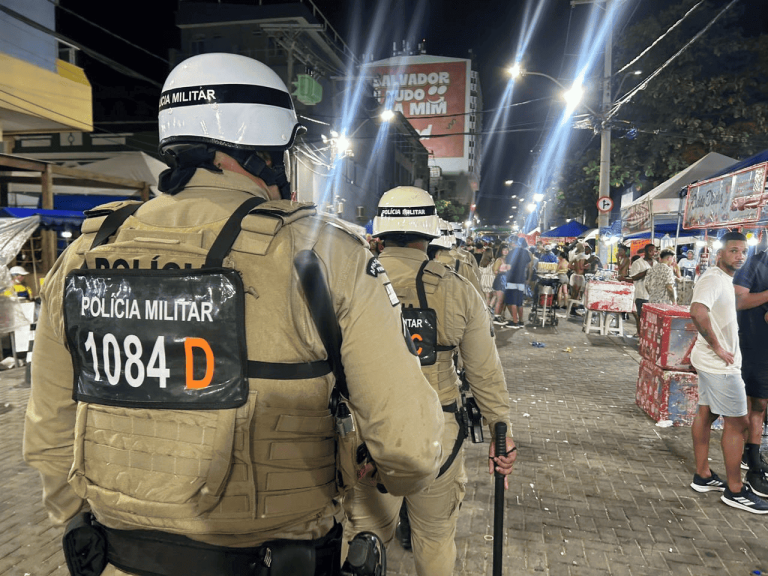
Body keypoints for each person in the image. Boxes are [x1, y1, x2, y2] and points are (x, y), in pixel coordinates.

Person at [23, 53, 445, 576]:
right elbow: (408, 448)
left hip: (116, 555)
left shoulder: (86, 251)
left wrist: (79, 522)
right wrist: (394, 485)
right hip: (275, 557)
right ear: (262, 149)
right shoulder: (325, 253)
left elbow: (47, 432)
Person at [345, 186, 515, 576]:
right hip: (439, 433)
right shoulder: (459, 289)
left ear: (379, 232)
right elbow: (485, 374)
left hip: (364, 433)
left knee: (361, 540)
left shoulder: (350, 283)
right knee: (435, 538)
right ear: (430, 232)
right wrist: (501, 433)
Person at [688, 232, 768, 513]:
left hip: (713, 361)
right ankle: (735, 490)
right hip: (720, 365)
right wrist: (719, 348)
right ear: (719, 252)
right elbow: (697, 311)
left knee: (706, 413)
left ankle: (703, 474)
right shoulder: (712, 278)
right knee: (739, 423)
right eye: (733, 250)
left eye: (743, 251)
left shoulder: (724, 279)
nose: (740, 256)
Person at [733, 235, 768, 497]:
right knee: (757, 404)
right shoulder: (753, 264)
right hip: (756, 346)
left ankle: (752, 455)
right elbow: (740, 301)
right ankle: (752, 463)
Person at [503, 237, 533, 328]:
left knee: (513, 301)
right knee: (519, 301)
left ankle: (515, 322)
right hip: (521, 279)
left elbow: (508, 267)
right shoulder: (526, 253)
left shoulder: (511, 253)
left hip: (512, 279)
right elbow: (528, 265)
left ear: (513, 243)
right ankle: (521, 321)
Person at [629, 243, 657, 331]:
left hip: (652, 295)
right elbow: (633, 277)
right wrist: (646, 272)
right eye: (650, 251)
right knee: (641, 317)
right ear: (645, 252)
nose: (652, 253)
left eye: (654, 251)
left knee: (650, 319)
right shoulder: (638, 263)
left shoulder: (656, 263)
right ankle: (640, 335)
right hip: (641, 294)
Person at [492, 244, 511, 324]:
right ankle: (496, 317)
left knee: (503, 300)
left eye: (507, 250)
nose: (506, 251)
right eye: (504, 250)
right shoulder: (499, 260)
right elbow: (494, 270)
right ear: (501, 251)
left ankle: (500, 315)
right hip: (500, 280)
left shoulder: (508, 259)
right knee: (499, 300)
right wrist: (502, 273)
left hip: (506, 280)